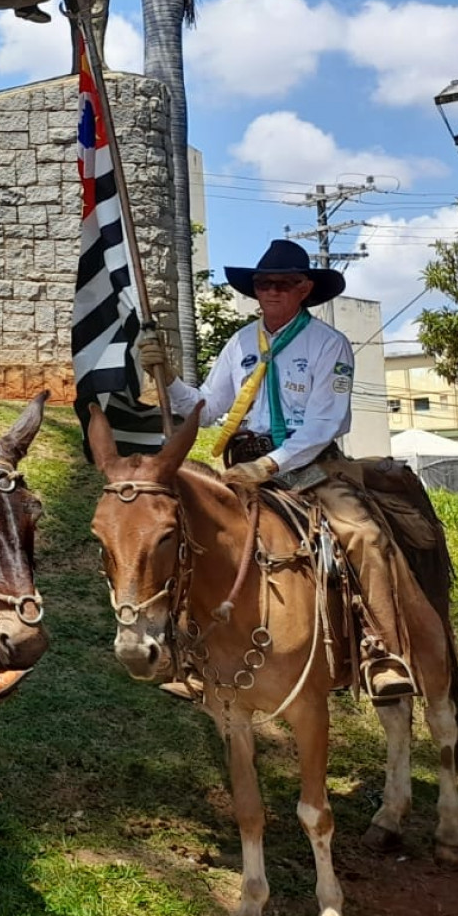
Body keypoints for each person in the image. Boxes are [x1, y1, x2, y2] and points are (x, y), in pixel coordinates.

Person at [139, 239, 421, 701]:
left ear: (305, 288)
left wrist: (271, 463)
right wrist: (165, 376)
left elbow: (324, 422)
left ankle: (381, 650)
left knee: (362, 535)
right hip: (239, 467)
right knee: (184, 534)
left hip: (310, 468)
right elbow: (208, 410)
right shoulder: (240, 343)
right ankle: (189, 653)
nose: (271, 291)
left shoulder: (330, 345)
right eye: (263, 283)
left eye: (284, 283)